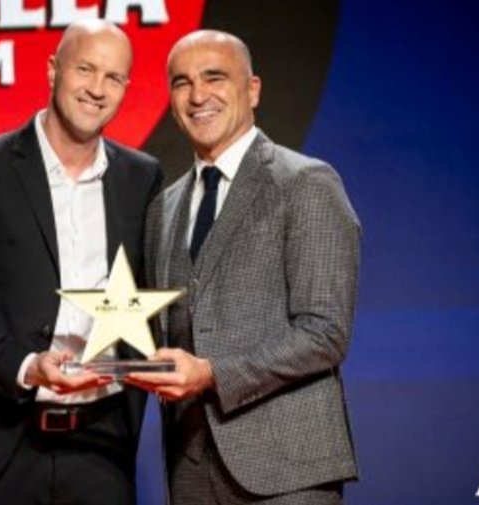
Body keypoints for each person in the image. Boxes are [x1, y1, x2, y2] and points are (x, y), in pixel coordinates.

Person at [0, 19, 162, 505]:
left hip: (101, 450)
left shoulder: (142, 178)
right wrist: (28, 366)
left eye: (113, 77)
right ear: (53, 69)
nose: (97, 89)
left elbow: (154, 295)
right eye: (85, 69)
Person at [126, 30, 360, 504]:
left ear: (252, 90)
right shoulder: (163, 209)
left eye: (214, 77)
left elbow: (324, 334)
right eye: (182, 82)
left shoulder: (306, 184)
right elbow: (155, 336)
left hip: (288, 472)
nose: (198, 96)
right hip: (191, 469)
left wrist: (212, 373)